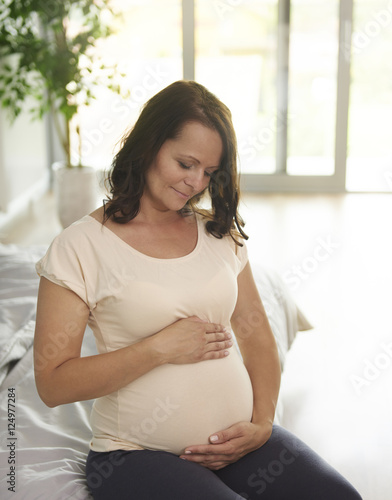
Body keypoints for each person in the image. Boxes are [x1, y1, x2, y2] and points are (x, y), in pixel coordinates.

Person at [34, 80, 362, 500]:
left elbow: (257, 335)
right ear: (149, 145)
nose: (195, 182)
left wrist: (261, 424)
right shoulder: (80, 246)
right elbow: (53, 383)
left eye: (209, 172)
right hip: (135, 454)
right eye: (185, 163)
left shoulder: (218, 232)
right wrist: (159, 348)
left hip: (241, 443)